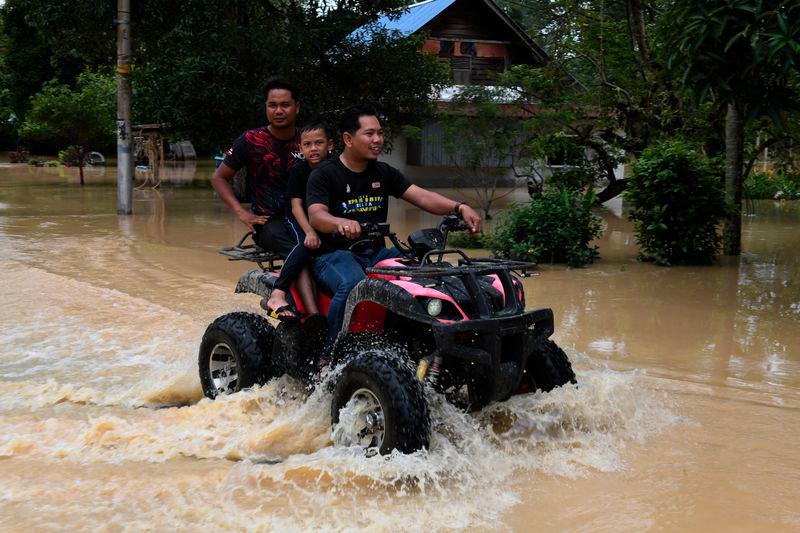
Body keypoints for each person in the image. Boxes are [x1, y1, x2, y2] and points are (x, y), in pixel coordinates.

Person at [306, 104, 481, 347]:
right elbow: (316, 215)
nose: (377, 139)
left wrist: (459, 207)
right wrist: (341, 222)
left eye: (380, 133)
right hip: (333, 255)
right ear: (348, 138)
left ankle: (427, 341)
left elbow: (421, 196)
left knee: (426, 271)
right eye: (369, 134)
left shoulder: (383, 172)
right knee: (353, 285)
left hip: (377, 252)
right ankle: (331, 352)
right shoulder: (324, 174)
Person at [210, 77, 312, 321]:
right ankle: (309, 316)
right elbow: (219, 178)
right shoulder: (250, 140)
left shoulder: (309, 141)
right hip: (268, 221)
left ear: (297, 106)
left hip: (304, 219)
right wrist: (242, 213)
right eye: (272, 105)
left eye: (285, 105)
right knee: (302, 252)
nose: (278, 111)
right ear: (266, 107)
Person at [280, 121, 336, 316]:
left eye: (318, 143)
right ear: (300, 148)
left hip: (324, 218)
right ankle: (279, 290)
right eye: (307, 144)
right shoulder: (299, 170)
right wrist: (310, 231)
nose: (313, 149)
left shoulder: (336, 168)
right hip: (298, 218)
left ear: (330, 145)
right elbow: (296, 207)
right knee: (305, 246)